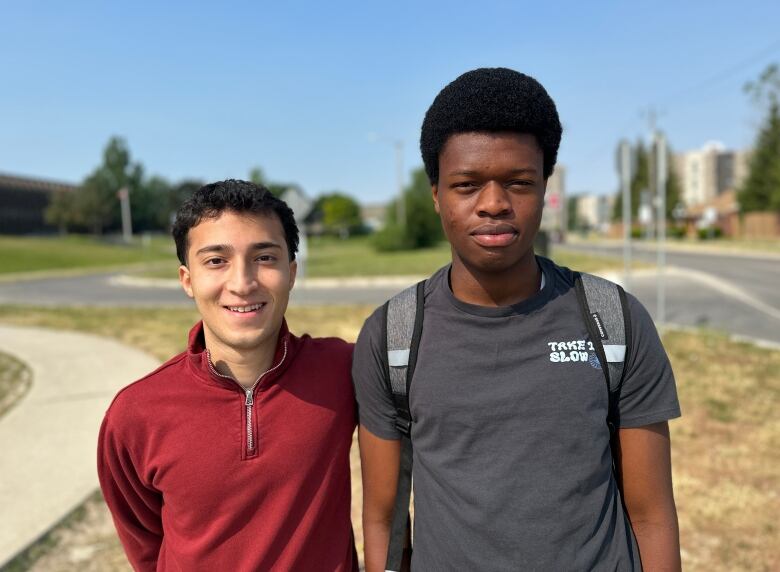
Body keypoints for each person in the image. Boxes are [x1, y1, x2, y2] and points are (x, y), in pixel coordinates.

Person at [353, 68, 681, 571]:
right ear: (436, 194)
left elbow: (653, 515)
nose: (493, 205)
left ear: (545, 186)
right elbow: (383, 520)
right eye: (466, 185)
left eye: (518, 183)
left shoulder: (613, 320)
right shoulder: (393, 337)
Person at [98, 180, 358, 571]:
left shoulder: (344, 369)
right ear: (187, 280)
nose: (242, 283)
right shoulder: (135, 413)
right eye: (216, 260)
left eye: (265, 258)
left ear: (291, 272)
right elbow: (144, 542)